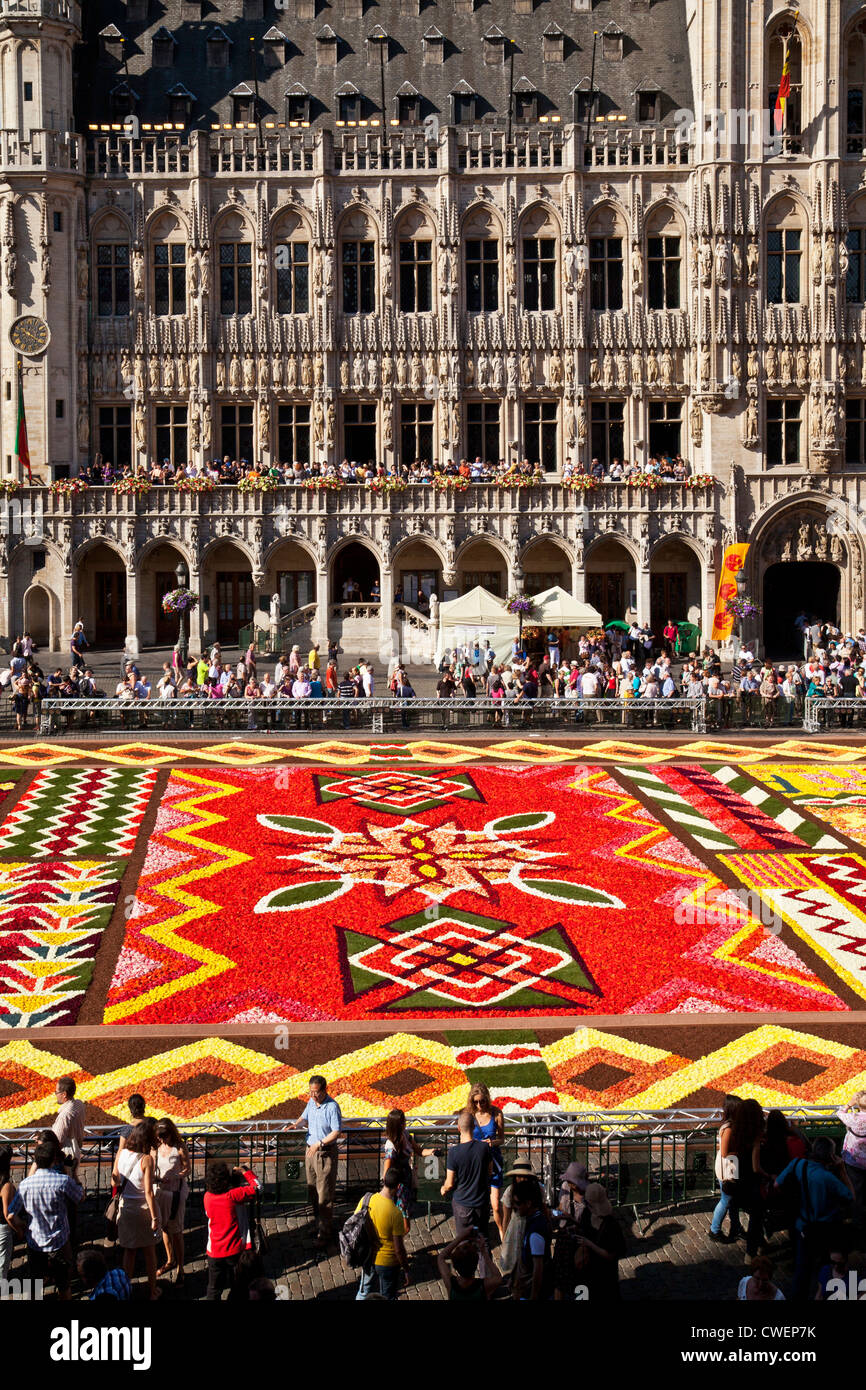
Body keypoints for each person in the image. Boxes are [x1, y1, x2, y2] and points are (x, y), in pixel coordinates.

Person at [775, 1136, 854, 1300]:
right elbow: (850, 1197)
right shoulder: (829, 1178)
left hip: (802, 1226)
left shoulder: (797, 1164)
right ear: (831, 1156)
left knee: (802, 1271)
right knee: (826, 1270)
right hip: (826, 1229)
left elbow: (777, 1185)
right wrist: (842, 1170)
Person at [8, 1139, 84, 1299]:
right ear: (54, 1160)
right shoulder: (62, 1181)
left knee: (35, 1285)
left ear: (36, 1161)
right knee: (64, 1285)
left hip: (35, 1243)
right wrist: (74, 1173)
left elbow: (10, 1215)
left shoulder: (25, 1185)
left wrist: (21, 1228)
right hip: (60, 1242)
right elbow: (80, 1197)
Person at [113, 1120, 162, 1300]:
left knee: (129, 1252)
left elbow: (115, 1181)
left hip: (126, 1209)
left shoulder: (123, 1153)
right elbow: (148, 1191)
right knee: (150, 1252)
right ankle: (152, 1291)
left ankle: (125, 1290)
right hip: (142, 1210)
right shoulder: (146, 1159)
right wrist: (155, 1218)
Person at [291, 1074, 342, 1244]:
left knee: (324, 1194)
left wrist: (319, 1143)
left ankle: (325, 1232)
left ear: (324, 1090)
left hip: (325, 1153)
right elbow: (304, 1117)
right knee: (312, 1189)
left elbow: (336, 1132)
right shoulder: (311, 1103)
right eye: (310, 1092)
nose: (313, 1096)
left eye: (316, 1093)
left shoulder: (332, 1107)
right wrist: (296, 1124)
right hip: (310, 1152)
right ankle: (317, 1223)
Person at [203, 1162, 260, 1301]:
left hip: (214, 1252)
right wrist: (246, 1172)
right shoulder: (233, 1196)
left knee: (213, 1288)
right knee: (238, 1286)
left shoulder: (207, 1197)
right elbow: (258, 1187)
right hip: (234, 1250)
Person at [354, 1168, 410, 1301]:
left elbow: (356, 1224)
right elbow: (399, 1249)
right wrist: (406, 1269)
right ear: (398, 1186)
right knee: (388, 1296)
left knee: (363, 1291)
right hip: (387, 1261)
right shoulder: (395, 1213)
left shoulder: (366, 1200)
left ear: (384, 1181)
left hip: (368, 1256)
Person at [441, 1109, 491, 1236]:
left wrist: (443, 1189)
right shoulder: (484, 1148)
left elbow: (450, 1183)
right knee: (483, 1240)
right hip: (481, 1201)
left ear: (458, 1128)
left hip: (463, 1203)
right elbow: (489, 1172)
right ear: (474, 1127)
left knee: (463, 1241)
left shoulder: (454, 1152)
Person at [465, 1083, 505, 1238]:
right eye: (475, 1102)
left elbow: (501, 1138)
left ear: (487, 1099)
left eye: (482, 1101)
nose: (479, 1105)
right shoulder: (468, 1115)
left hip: (493, 1160)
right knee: (477, 1201)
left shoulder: (496, 1113)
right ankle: (477, 1233)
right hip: (476, 1163)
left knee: (495, 1204)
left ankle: (502, 1230)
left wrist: (491, 1142)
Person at [574, 1183, 627, 1301]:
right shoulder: (587, 1214)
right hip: (589, 1275)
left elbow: (611, 1255)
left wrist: (589, 1244)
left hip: (605, 1276)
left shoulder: (611, 1226)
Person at [155, 1117, 189, 1282]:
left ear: (171, 1134)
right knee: (165, 1228)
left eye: (164, 1137)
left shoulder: (180, 1148)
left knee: (176, 1231)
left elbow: (187, 1169)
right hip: (161, 1192)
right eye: (159, 1137)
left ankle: (180, 1267)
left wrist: (176, 1176)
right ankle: (170, 1260)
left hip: (175, 1194)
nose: (161, 1140)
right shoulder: (156, 1147)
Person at [510, 1178, 554, 1301]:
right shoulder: (536, 1219)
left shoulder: (535, 1232)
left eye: (518, 1203)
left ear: (528, 1203)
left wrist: (533, 1296)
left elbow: (538, 1269)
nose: (515, 1206)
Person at [383, 1109, 424, 1232]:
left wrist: (432, 1152)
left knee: (404, 1220)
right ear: (396, 1125)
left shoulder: (406, 1135)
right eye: (403, 1122)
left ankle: (394, 1245)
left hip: (406, 1181)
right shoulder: (391, 1146)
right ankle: (393, 1246)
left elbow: (419, 1151)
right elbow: (386, 1172)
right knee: (405, 1225)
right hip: (399, 1186)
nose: (405, 1123)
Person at [709, 1095, 744, 1242]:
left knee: (732, 1199)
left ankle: (736, 1227)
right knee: (726, 1199)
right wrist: (742, 1152)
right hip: (727, 1167)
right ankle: (714, 1230)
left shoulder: (732, 1126)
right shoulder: (729, 1128)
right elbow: (725, 1153)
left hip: (731, 1166)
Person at [436, 1232, 503, 1300]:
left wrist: (460, 1238)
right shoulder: (483, 1286)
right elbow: (498, 1277)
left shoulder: (450, 1284)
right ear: (476, 1263)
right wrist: (484, 1252)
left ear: (455, 1266)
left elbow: (441, 1257)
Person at [837, 1089, 866, 1213]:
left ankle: (858, 1217)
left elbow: (840, 1113)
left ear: (858, 1104)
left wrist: (849, 1104)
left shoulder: (852, 1118)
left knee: (856, 1188)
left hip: (854, 1160)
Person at [0, 1144, 15, 1281]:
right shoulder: (6, 1185)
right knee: (2, 1265)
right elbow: (7, 1214)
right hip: (2, 1229)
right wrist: (19, 1229)